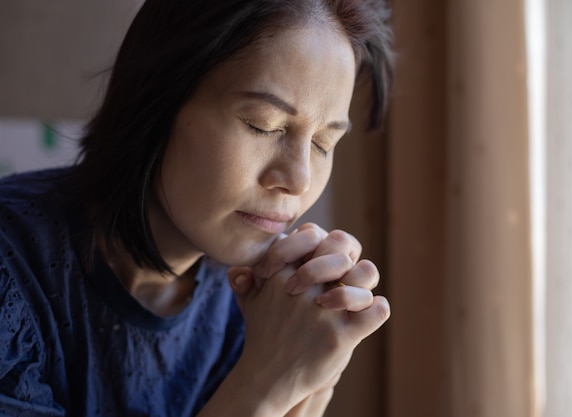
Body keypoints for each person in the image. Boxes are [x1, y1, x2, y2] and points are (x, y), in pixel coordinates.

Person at [0, 0, 394, 415]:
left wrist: (315, 376)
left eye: (323, 144)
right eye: (263, 124)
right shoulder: (13, 271)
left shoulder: (263, 303)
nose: (299, 180)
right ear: (154, 100)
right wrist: (264, 385)